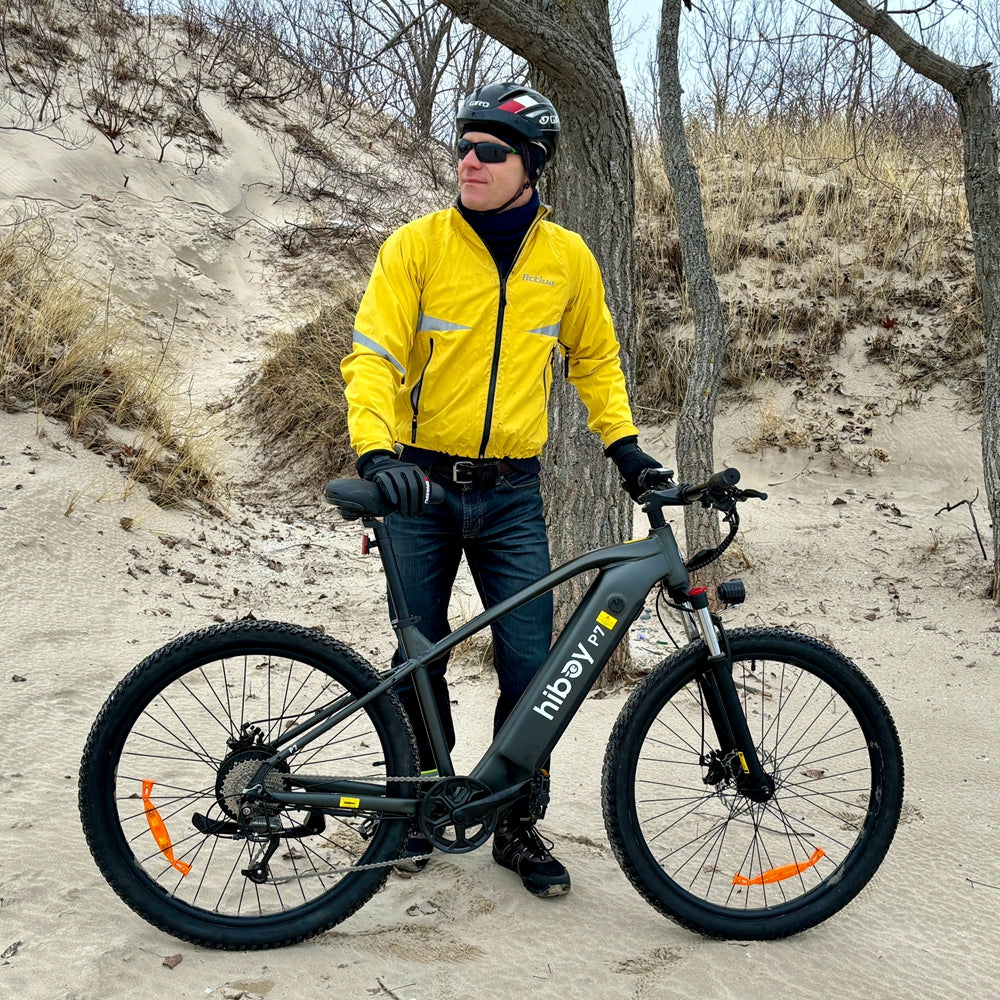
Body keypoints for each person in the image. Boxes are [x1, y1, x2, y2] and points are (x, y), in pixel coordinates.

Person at [341, 81, 662, 898]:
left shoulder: (569, 261)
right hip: (418, 481)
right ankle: (414, 810)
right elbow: (373, 354)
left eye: (492, 151)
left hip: (514, 494)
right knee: (420, 653)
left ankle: (517, 823)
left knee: (533, 662)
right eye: (463, 146)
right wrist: (379, 454)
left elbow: (594, 361)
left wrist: (625, 450)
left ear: (531, 167)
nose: (469, 161)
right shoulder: (415, 247)